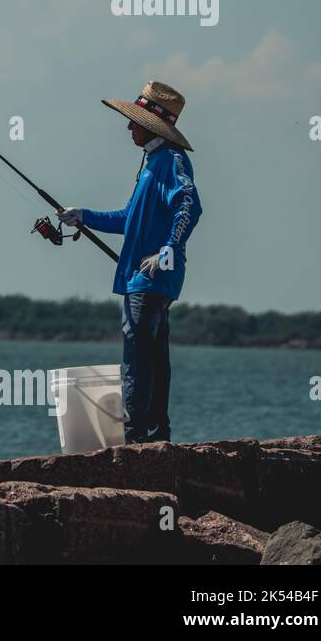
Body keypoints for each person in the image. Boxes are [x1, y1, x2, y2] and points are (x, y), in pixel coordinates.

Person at [59, 82, 202, 444]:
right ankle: (156, 432)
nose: (128, 128)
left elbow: (189, 204)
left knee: (136, 358)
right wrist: (84, 216)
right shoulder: (153, 162)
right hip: (144, 278)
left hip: (151, 278)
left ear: (153, 125)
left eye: (134, 122)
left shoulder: (171, 161)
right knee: (153, 357)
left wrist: (168, 249)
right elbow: (129, 219)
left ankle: (135, 435)